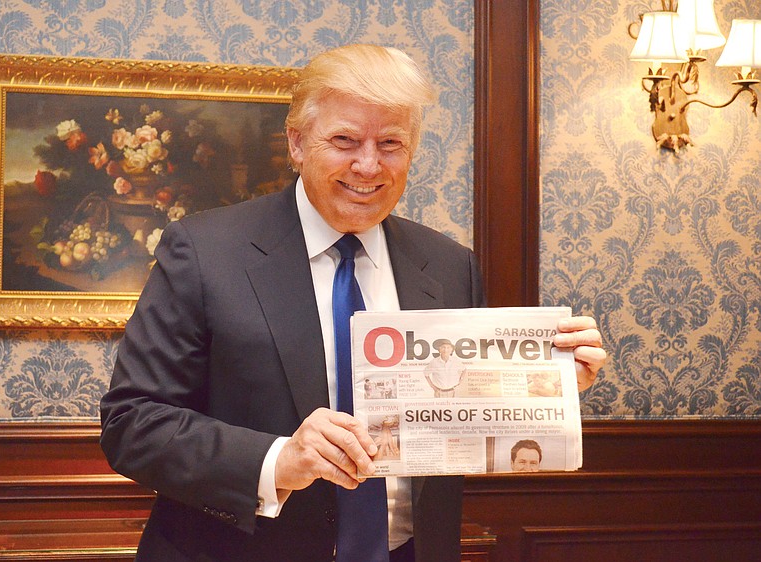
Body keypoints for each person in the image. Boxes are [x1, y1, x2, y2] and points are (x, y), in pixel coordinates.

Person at [100, 44, 606, 562]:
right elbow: (132, 422)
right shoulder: (205, 251)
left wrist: (548, 382)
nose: (368, 165)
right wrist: (279, 459)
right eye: (344, 140)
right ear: (297, 143)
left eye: (391, 143)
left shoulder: (450, 266)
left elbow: (463, 419)